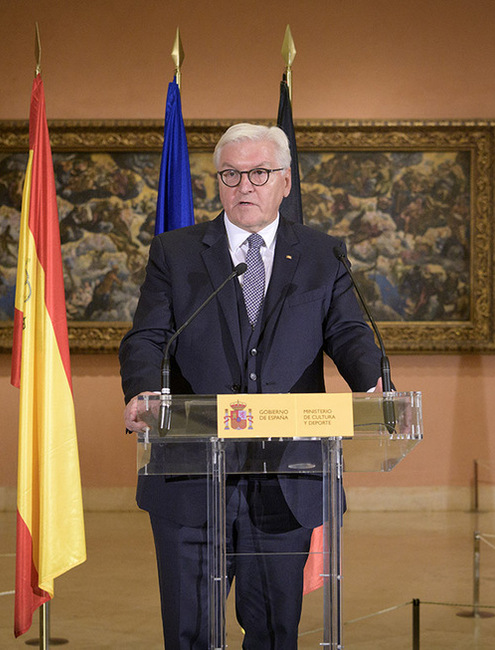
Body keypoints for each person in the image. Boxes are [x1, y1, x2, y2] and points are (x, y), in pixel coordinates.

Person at [120, 123, 387, 649]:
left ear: (285, 181)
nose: (245, 185)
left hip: (285, 477)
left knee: (273, 632)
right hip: (192, 478)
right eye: (231, 174)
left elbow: (349, 331)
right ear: (218, 182)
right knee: (190, 632)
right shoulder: (175, 253)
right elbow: (147, 337)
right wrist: (144, 389)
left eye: (259, 173)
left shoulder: (321, 254)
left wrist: (371, 379)